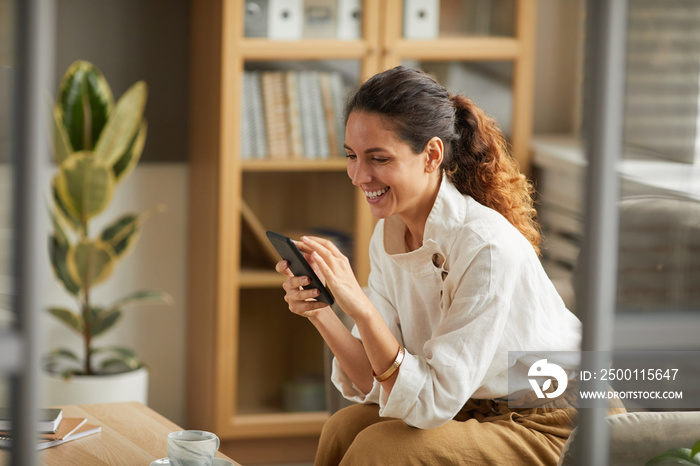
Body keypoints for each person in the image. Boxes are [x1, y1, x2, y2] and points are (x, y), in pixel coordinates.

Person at [275, 66, 584, 465]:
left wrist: (360, 307)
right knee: (343, 428)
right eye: (351, 156)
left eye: (378, 158)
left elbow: (431, 399)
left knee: (379, 448)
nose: (358, 175)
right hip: (471, 404)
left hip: (550, 419)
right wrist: (323, 312)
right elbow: (376, 378)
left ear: (432, 155)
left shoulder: (485, 247)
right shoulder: (389, 233)